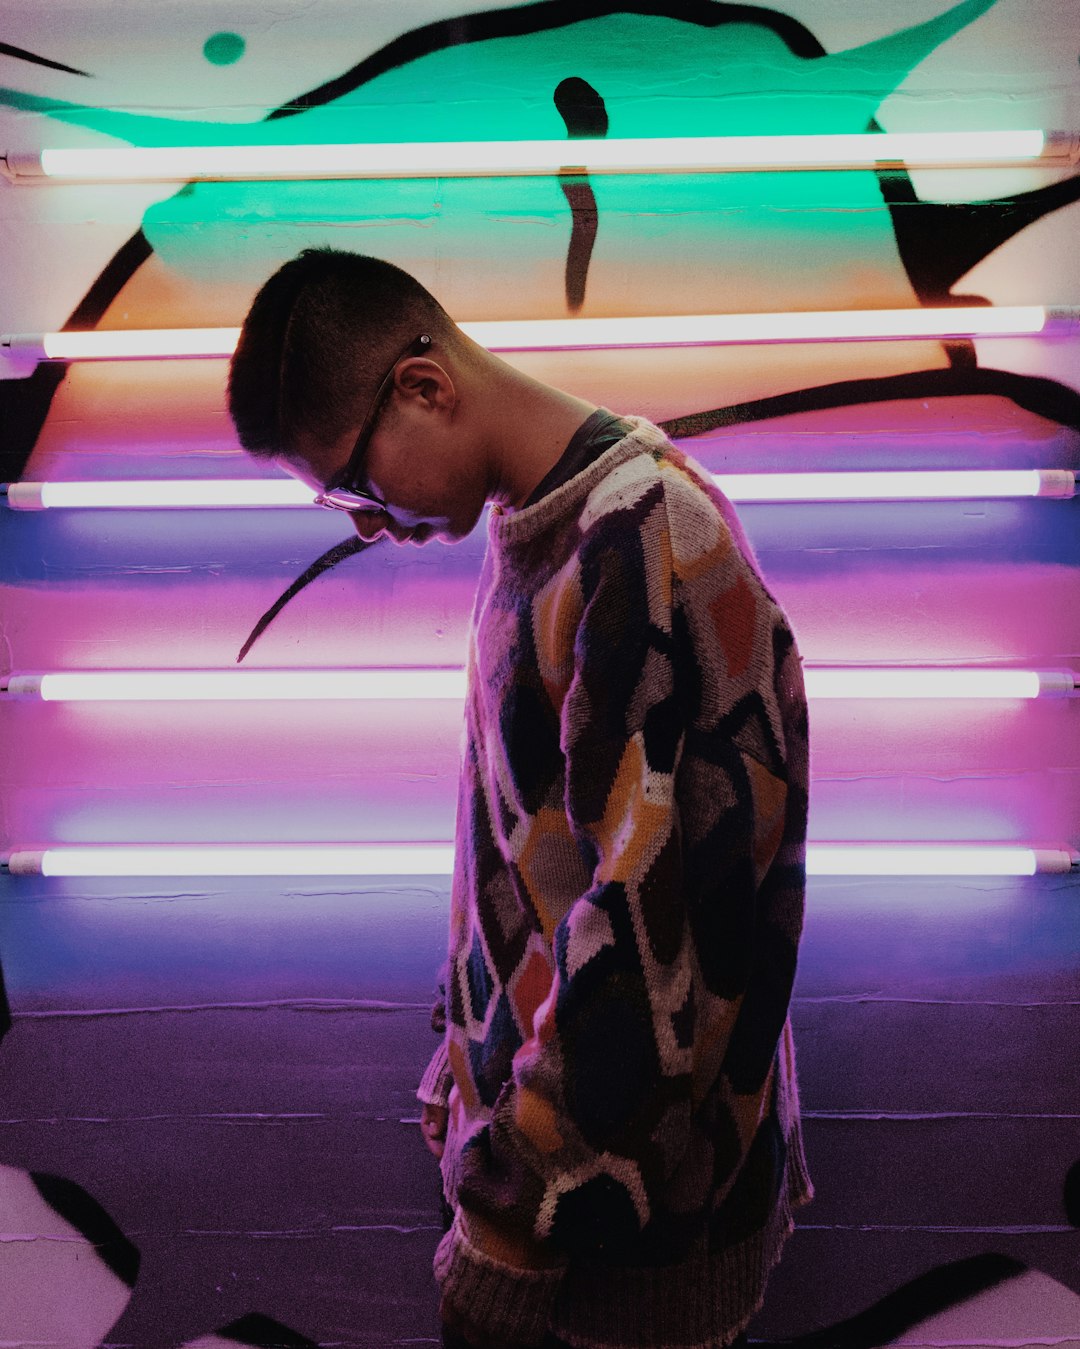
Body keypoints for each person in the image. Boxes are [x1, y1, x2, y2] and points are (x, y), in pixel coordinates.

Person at [227, 247, 813, 1349]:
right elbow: (524, 849)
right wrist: (462, 1058)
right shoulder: (535, 524)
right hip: (566, 1193)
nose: (367, 522)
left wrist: (511, 1224)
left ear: (424, 386)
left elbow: (652, 946)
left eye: (355, 482)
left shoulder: (648, 540)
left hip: (622, 1222)